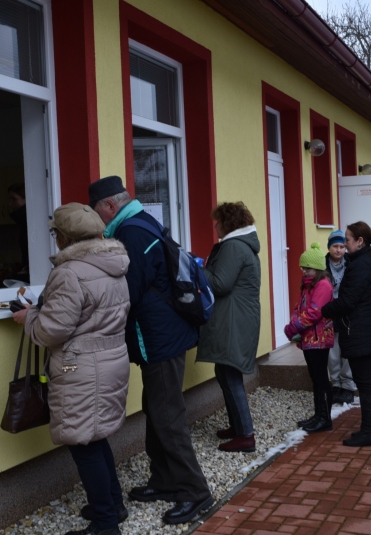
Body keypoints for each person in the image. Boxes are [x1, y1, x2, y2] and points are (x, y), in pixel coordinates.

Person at [88, 175, 213, 525]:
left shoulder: (131, 232)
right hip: (163, 335)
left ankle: (195, 492)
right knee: (157, 410)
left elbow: (127, 291)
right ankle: (164, 480)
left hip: (159, 339)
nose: (98, 219)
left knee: (168, 416)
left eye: (97, 212)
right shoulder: (143, 223)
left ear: (109, 206)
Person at [13, 202, 130, 535]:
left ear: (63, 236)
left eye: (55, 233)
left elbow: (52, 331)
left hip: (81, 368)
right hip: (109, 361)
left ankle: (105, 524)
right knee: (95, 437)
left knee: (84, 445)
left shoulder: (70, 272)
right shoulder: (114, 265)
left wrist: (29, 317)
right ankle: (113, 506)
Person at [196, 202, 261, 453]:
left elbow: (220, 283)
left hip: (234, 320)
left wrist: (197, 268)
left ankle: (245, 435)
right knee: (225, 373)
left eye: (219, 221)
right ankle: (237, 426)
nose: (215, 225)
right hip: (237, 318)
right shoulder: (240, 246)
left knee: (230, 375)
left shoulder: (233, 247)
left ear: (229, 224)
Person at [321, 222, 371, 447]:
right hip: (365, 329)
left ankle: (369, 431)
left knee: (366, 383)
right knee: (370, 380)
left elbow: (348, 301)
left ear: (359, 241)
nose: (345, 244)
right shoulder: (363, 261)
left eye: (347, 239)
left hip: (360, 330)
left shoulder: (361, 266)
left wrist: (323, 310)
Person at [286, 242, 336, 434]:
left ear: (317, 268)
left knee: (321, 378)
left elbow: (314, 312)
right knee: (315, 378)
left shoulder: (323, 285)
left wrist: (293, 327)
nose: (304, 271)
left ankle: (325, 419)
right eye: (303, 267)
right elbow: (300, 307)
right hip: (309, 338)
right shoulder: (308, 285)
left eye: (307, 268)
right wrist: (294, 322)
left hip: (319, 339)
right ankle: (318, 415)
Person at [325, 230, 357, 405]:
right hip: (330, 312)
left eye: (342, 247)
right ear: (329, 247)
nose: (338, 250)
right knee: (333, 352)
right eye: (335, 246)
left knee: (347, 351)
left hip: (346, 312)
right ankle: (336, 384)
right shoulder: (322, 265)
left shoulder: (351, 263)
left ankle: (348, 385)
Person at [7, 182, 30, 282]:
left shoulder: (30, 221)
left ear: (26, 199)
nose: (10, 204)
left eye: (14, 199)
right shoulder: (24, 221)